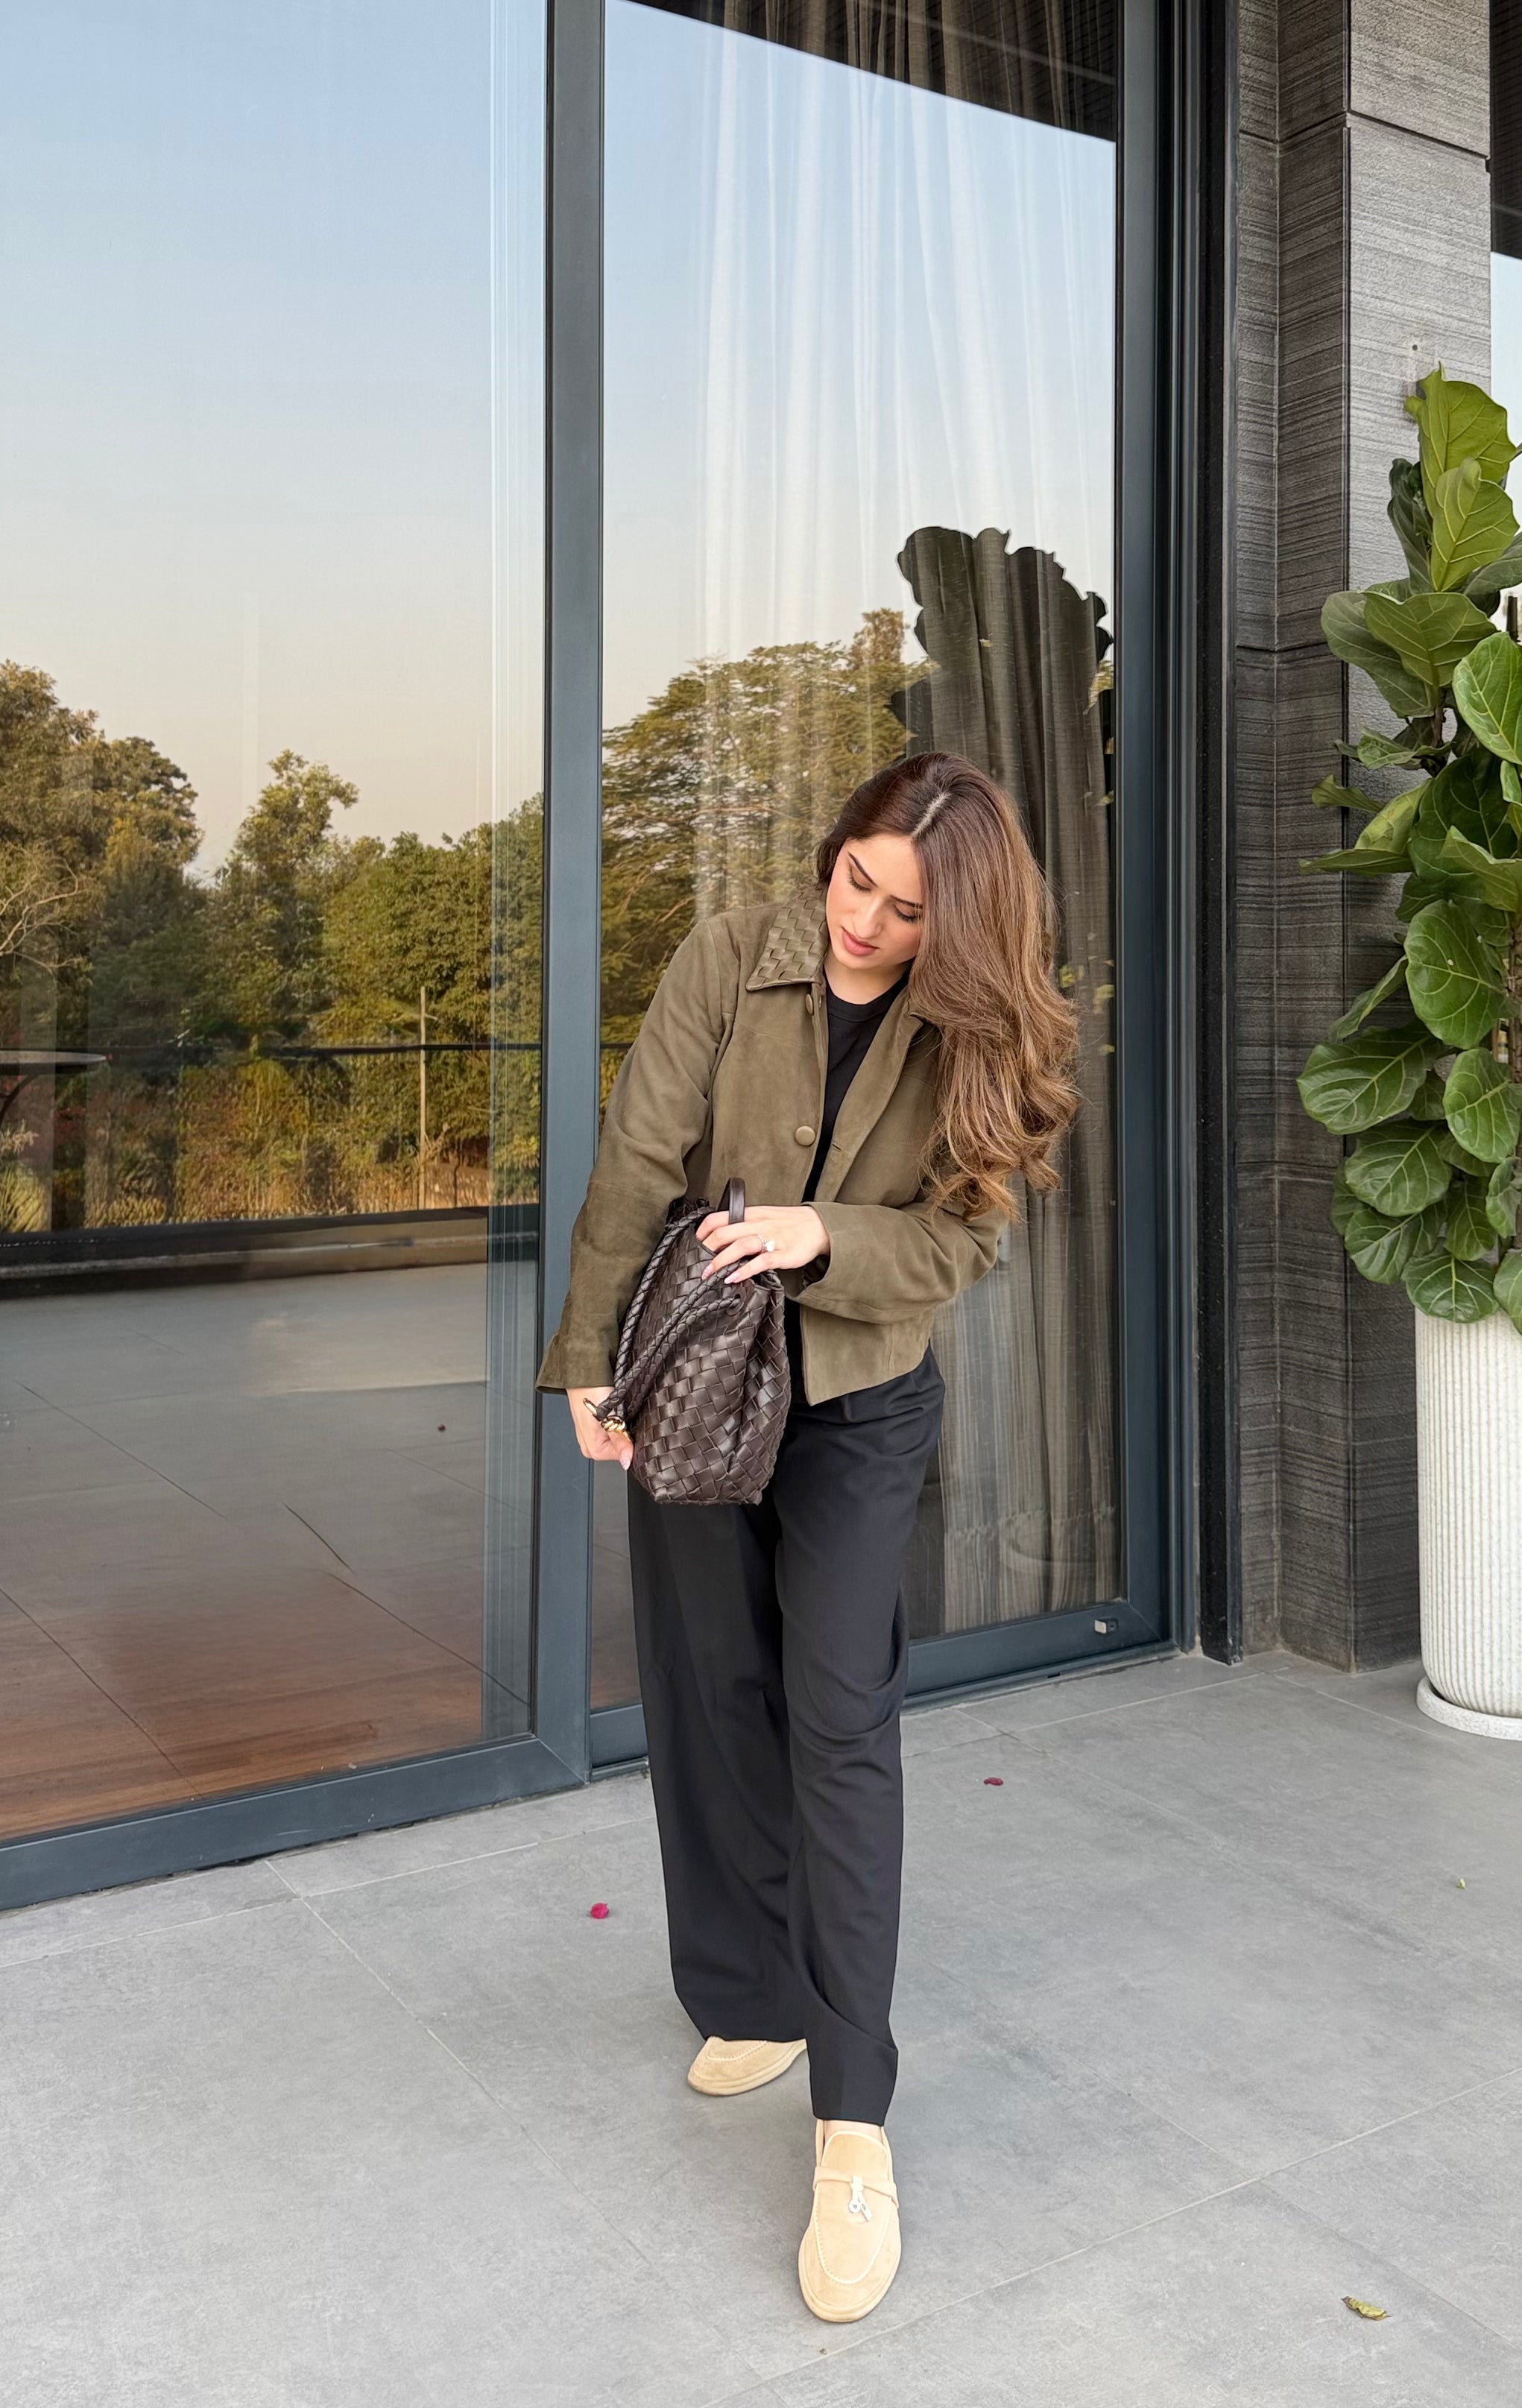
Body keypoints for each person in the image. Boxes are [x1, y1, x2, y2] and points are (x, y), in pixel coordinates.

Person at [539, 751, 1079, 2322]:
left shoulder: (978, 1032)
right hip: (698, 1383)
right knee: (710, 1693)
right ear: (833, 851)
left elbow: (966, 1241)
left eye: (907, 912)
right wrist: (590, 1360)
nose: (865, 924)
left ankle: (854, 2123)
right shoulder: (728, 956)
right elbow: (639, 1162)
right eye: (856, 881)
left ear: (958, 925)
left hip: (856, 1407)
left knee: (840, 1724)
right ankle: (753, 1993)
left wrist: (820, 1234)